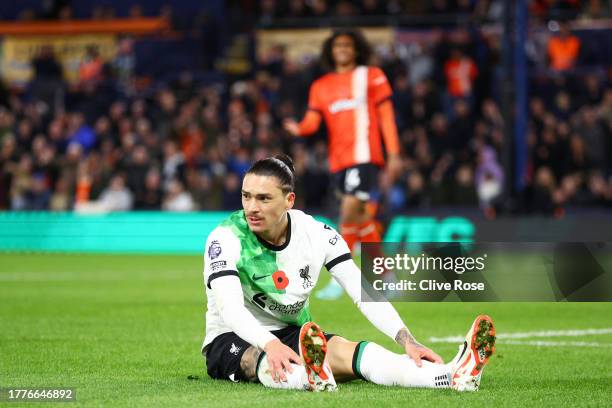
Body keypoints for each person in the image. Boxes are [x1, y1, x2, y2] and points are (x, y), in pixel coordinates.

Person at [201, 155, 496, 392]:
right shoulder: (225, 237)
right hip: (231, 336)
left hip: (294, 333)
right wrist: (270, 344)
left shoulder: (318, 234)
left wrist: (406, 340)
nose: (251, 207)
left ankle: (449, 375)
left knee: (355, 354)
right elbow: (230, 309)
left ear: (289, 201)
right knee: (259, 361)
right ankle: (308, 378)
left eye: (264, 198)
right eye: (246, 196)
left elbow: (362, 291)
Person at [283, 29, 402, 299]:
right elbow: (313, 121)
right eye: (338, 45)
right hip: (339, 161)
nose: (343, 49)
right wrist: (299, 128)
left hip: (364, 155)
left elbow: (386, 117)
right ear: (330, 50)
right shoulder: (321, 86)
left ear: (357, 49)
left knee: (348, 212)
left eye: (348, 45)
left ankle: (341, 279)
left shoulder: (372, 76)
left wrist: (394, 154)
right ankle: (387, 275)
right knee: (361, 219)